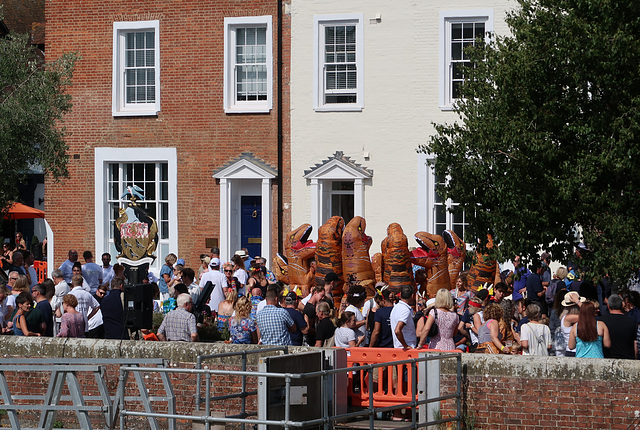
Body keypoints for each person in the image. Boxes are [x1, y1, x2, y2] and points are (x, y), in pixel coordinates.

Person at [600, 294, 637, 359]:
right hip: (627, 360)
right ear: (622, 305)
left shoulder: (601, 322)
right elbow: (635, 343)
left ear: (608, 306)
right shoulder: (631, 322)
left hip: (606, 360)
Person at [390, 285, 417, 350]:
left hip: (399, 347)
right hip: (406, 349)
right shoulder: (405, 310)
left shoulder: (396, 308)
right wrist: (406, 346)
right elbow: (397, 330)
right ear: (412, 296)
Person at [559, 291, 584, 357]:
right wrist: (578, 301)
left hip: (576, 351)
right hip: (573, 352)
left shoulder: (568, 317)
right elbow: (589, 314)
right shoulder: (569, 318)